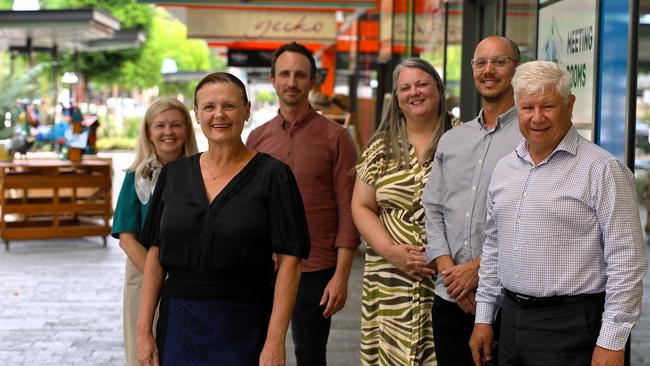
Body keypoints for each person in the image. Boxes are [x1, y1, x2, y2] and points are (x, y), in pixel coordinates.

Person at [469, 61, 648, 366]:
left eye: (548, 105)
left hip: (572, 326)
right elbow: (493, 247)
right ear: (516, 108)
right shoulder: (504, 169)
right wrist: (484, 317)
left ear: (570, 104)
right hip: (510, 321)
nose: (537, 117)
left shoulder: (602, 170)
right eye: (527, 107)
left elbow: (627, 262)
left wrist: (612, 342)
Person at [136, 72, 310, 366]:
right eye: (209, 107)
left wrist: (275, 340)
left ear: (247, 111)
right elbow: (155, 254)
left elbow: (291, 261)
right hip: (178, 322)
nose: (219, 115)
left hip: (244, 322)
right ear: (197, 114)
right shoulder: (174, 175)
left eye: (229, 106)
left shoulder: (274, 176)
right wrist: (143, 331)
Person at [246, 42, 360, 366]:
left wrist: (341, 276)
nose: (291, 81)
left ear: (313, 80)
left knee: (310, 354)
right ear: (272, 79)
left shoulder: (337, 138)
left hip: (316, 268)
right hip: (263, 267)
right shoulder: (256, 139)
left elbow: (347, 207)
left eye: (300, 74)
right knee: (259, 350)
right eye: (284, 74)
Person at [421, 36, 522, 366]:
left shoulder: (530, 135)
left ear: (516, 70)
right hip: (449, 299)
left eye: (499, 62)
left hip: (507, 302)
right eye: (480, 63)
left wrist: (479, 272)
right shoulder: (453, 139)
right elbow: (432, 209)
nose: (488, 70)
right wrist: (452, 277)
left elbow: (530, 218)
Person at [351, 58, 452, 365]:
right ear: (397, 98)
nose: (414, 92)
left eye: (422, 84)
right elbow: (362, 205)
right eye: (405, 87)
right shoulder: (380, 146)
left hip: (446, 280)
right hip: (388, 278)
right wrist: (391, 251)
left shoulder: (463, 140)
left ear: (438, 88)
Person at [111, 97, 198, 366]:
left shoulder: (203, 173)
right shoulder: (135, 176)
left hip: (191, 278)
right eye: (160, 125)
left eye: (176, 125)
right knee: (145, 356)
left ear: (187, 130)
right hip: (142, 275)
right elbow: (126, 239)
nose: (168, 132)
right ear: (149, 132)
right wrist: (160, 275)